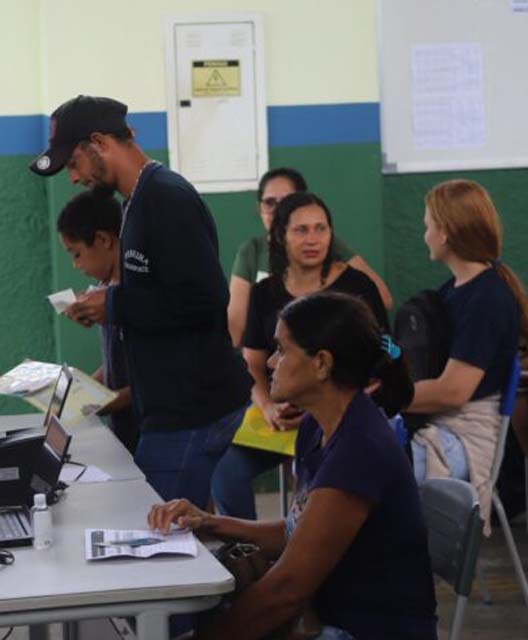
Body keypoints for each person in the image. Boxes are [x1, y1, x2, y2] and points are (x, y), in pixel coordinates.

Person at [149, 292, 437, 640]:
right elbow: (295, 534)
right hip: (326, 616)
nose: (270, 362)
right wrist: (210, 524)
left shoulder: (359, 450)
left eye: (282, 350)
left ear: (321, 363)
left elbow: (287, 592)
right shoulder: (318, 426)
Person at [34, 95, 252, 505]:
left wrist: (114, 306)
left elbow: (206, 299)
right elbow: (160, 292)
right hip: (170, 410)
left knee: (162, 541)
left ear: (98, 143)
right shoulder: (135, 202)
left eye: (75, 164)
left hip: (191, 410)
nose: (74, 179)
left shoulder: (165, 198)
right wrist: (109, 303)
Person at [213, 192, 389, 519]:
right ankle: (245, 550)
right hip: (283, 416)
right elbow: (252, 360)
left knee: (312, 479)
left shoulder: (358, 285)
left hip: (337, 416)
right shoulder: (265, 292)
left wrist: (359, 388)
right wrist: (268, 405)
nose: (313, 239)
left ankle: (300, 546)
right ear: (280, 235)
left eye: (321, 229)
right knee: (225, 466)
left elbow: (385, 351)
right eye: (301, 230)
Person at [407, 179, 528, 534]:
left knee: (376, 474)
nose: (424, 233)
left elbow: (453, 392)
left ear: (445, 233)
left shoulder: (486, 299)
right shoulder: (455, 291)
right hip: (443, 425)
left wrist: (387, 394)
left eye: (428, 224)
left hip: (467, 436)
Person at [227, 167, 392, 346]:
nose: (277, 209)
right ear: (260, 208)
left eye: (287, 200)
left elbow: (383, 299)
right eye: (269, 202)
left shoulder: (323, 244)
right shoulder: (252, 252)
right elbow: (236, 324)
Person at [56, 189, 138, 452]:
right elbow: (115, 364)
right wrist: (81, 390)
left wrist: (100, 402)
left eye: (76, 254)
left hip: (150, 431)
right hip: (123, 432)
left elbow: (152, 382)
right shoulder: (103, 292)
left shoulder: (136, 297)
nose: (75, 265)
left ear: (103, 239)